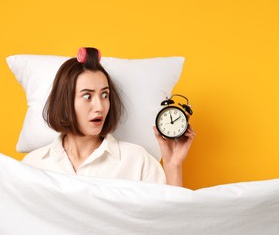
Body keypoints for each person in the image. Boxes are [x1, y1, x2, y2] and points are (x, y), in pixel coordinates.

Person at [22, 47, 195, 187]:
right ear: (65, 102)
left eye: (104, 95)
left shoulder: (137, 160)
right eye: (87, 96)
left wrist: (173, 165)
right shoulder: (34, 164)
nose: (100, 107)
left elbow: (169, 220)